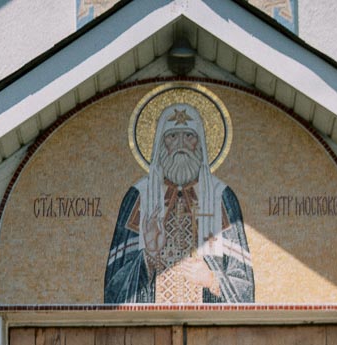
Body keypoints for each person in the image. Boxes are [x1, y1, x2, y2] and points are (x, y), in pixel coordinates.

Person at [104, 101, 254, 305]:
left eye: (189, 136)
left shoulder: (221, 197)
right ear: (160, 144)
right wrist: (148, 256)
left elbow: (244, 288)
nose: (181, 144)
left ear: (200, 143)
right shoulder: (140, 197)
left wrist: (212, 280)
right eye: (172, 136)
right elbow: (114, 291)